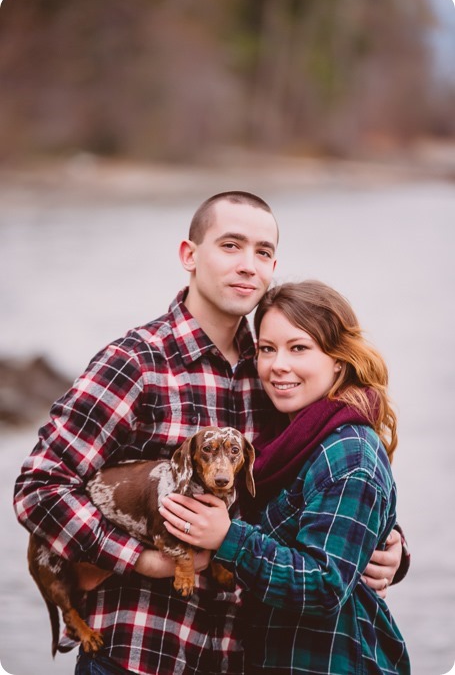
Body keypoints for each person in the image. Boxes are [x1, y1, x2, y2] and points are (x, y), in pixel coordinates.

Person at [14, 194, 406, 675]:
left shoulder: (273, 372)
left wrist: (390, 546)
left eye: (262, 252)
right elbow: (39, 488)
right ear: (190, 255)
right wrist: (140, 558)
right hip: (140, 651)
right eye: (230, 245)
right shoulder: (137, 362)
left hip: (238, 655)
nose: (247, 265)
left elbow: (317, 483)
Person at [160, 280, 410, 674]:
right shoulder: (288, 434)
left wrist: (228, 538)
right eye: (267, 349)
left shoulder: (349, 452)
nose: (279, 365)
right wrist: (392, 541)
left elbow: (325, 584)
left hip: (332, 661)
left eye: (299, 348)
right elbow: (334, 523)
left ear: (338, 360)